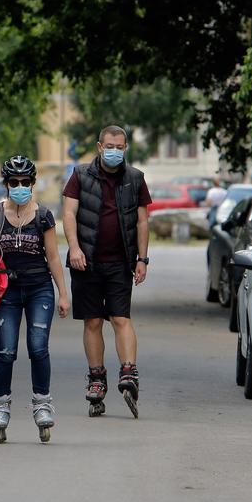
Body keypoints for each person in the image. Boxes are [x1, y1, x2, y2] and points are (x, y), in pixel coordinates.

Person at [0, 155, 70, 442]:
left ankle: (42, 404)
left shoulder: (44, 216)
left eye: (25, 182)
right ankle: (0, 405)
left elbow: (52, 256)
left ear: (32, 183)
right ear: (6, 184)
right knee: (6, 351)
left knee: (38, 347)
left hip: (39, 287)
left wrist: (63, 294)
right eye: (14, 182)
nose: (20, 186)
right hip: (7, 291)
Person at [62, 125, 152, 419]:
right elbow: (69, 214)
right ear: (100, 146)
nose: (114, 151)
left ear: (125, 148)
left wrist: (143, 259)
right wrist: (74, 248)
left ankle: (129, 372)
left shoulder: (135, 179)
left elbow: (142, 222)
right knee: (92, 322)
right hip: (86, 262)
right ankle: (97, 378)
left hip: (120, 262)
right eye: (109, 146)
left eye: (120, 147)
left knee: (120, 318)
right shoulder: (80, 175)